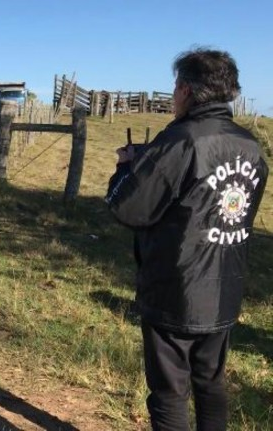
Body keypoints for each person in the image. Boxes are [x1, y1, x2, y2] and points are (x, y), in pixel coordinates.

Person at [105, 47, 269, 430]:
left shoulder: (180, 139)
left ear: (185, 90)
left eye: (176, 86)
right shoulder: (250, 145)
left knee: (169, 392)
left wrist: (125, 170)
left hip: (174, 288)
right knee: (211, 385)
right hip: (223, 289)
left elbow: (129, 208)